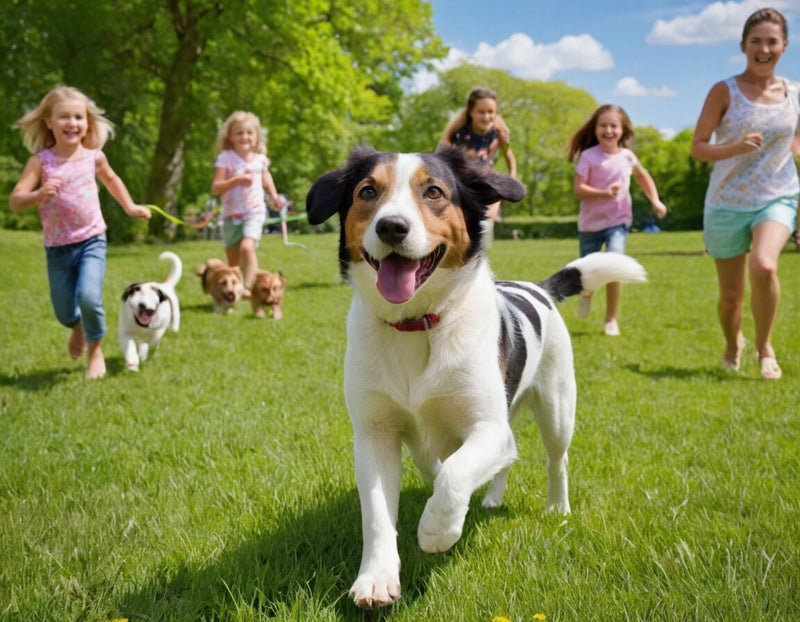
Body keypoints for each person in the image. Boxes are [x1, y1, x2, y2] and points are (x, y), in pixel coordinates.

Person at [9, 86, 151, 379]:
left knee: (89, 296)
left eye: (78, 117)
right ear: (48, 121)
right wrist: (37, 194)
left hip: (92, 240)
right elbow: (15, 201)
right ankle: (77, 326)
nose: (72, 123)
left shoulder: (93, 157)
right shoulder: (40, 162)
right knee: (63, 311)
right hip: (57, 247)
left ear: (87, 123)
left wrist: (131, 206)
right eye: (64, 117)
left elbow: (111, 180)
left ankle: (95, 350)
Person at [691, 8, 799, 380]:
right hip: (726, 202)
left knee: (765, 265)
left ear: (785, 45)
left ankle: (765, 347)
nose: (764, 48)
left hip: (777, 194)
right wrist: (733, 147)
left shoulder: (795, 94)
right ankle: (732, 342)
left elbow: (798, 148)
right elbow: (699, 147)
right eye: (757, 41)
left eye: (772, 41)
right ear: (743, 46)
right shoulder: (725, 91)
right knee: (731, 297)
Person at [567, 104, 667, 336]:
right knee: (588, 272)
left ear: (623, 130)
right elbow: (579, 189)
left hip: (618, 222)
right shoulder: (588, 157)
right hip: (590, 225)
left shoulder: (627, 157)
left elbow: (643, 177)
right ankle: (586, 293)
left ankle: (611, 319)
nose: (608, 130)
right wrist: (605, 193)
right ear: (596, 128)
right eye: (603, 125)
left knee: (614, 265)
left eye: (614, 125)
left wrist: (656, 200)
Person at [211, 111, 284, 295]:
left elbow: (266, 177)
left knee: (247, 247)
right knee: (233, 261)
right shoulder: (225, 158)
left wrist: (274, 196)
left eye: (249, 133)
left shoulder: (260, 159)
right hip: (230, 214)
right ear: (230, 136)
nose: (245, 137)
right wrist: (235, 180)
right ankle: (234, 290)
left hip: (254, 211)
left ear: (256, 136)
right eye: (239, 133)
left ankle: (248, 287)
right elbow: (216, 187)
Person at [438, 87, 517, 222]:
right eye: (481, 112)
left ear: (496, 113)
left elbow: (509, 155)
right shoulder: (460, 130)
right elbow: (442, 148)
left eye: (490, 112)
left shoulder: (497, 132)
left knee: (487, 218)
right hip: (462, 180)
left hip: (485, 179)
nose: (486, 117)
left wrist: (512, 180)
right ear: (470, 112)